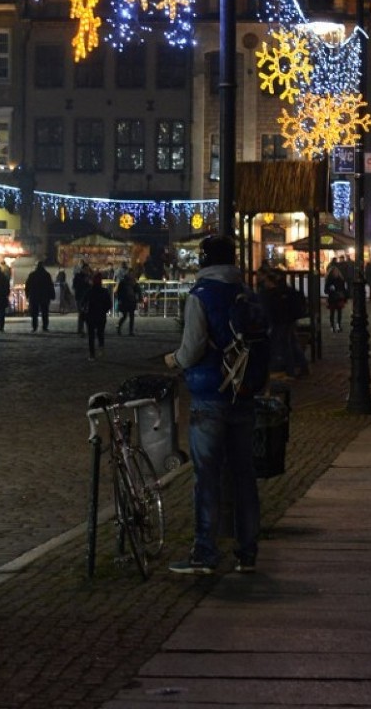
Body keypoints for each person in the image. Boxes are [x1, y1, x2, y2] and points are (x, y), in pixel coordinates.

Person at [164, 234, 260, 575]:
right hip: (243, 394)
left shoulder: (200, 295)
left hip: (209, 396)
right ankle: (247, 552)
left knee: (207, 477)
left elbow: (192, 349)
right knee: (244, 475)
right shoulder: (246, 293)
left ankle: (205, 552)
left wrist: (174, 360)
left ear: (204, 261)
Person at [82, 272, 113, 361]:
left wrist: (85, 310)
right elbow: (109, 304)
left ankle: (92, 354)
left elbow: (82, 303)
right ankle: (101, 348)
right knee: (100, 333)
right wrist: (104, 311)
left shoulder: (89, 291)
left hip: (90, 316)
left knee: (91, 336)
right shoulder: (104, 292)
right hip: (101, 316)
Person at [25, 261, 56, 333]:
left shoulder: (32, 274)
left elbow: (27, 285)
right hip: (44, 296)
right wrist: (52, 295)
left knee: (34, 313)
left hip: (34, 296)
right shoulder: (46, 275)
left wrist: (27, 294)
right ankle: (45, 326)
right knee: (45, 312)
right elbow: (50, 286)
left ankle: (34, 326)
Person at [116, 268, 142, 335]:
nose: (132, 275)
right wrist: (120, 300)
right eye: (131, 273)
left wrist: (139, 298)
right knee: (124, 316)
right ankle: (118, 327)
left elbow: (138, 290)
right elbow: (119, 292)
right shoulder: (123, 282)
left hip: (131, 300)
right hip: (125, 300)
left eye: (132, 274)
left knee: (131, 316)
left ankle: (131, 331)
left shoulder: (134, 282)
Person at [324, 263, 348, 332]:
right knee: (332, 313)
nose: (335, 273)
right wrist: (330, 289)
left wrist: (345, 298)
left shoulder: (341, 280)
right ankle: (332, 326)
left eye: (336, 272)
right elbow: (326, 290)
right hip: (332, 298)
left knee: (339, 312)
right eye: (334, 272)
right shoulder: (329, 280)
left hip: (339, 298)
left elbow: (344, 290)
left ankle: (338, 325)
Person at [72, 261, 92, 335]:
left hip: (87, 297)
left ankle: (88, 329)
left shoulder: (89, 276)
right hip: (80, 297)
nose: (87, 271)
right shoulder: (78, 276)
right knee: (81, 313)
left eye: (88, 269)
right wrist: (84, 282)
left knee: (87, 314)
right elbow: (75, 286)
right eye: (85, 269)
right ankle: (80, 329)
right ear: (82, 269)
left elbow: (90, 287)